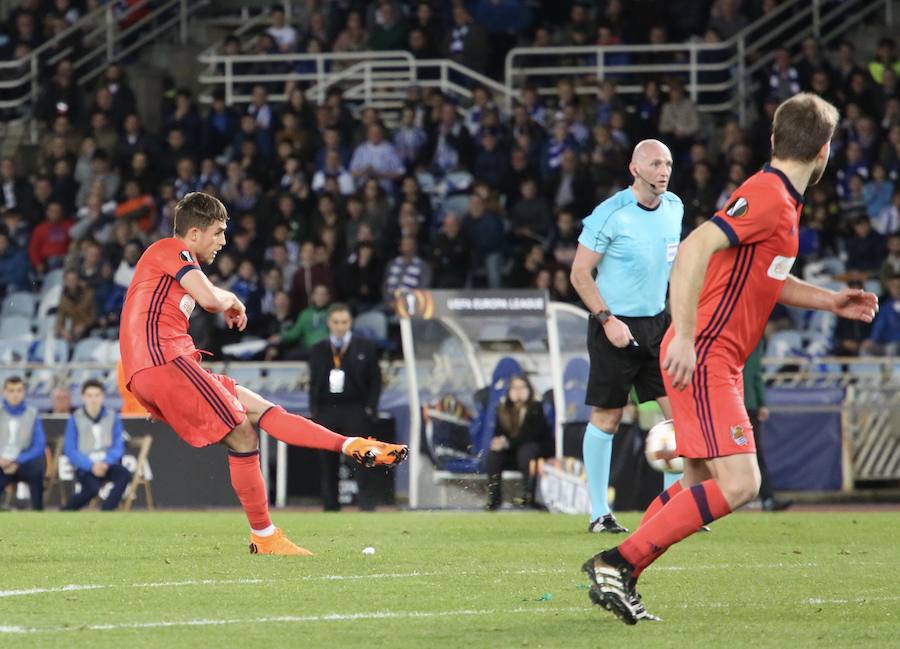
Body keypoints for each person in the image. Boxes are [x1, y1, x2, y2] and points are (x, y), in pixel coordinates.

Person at [583, 93, 878, 624]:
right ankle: (616, 563)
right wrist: (686, 337)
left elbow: (768, 278)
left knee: (696, 488)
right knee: (742, 484)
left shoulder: (780, 198)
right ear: (825, 151)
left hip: (717, 356)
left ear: (773, 139)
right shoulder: (768, 195)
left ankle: (619, 575)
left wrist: (830, 300)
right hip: (707, 355)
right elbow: (696, 247)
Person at [120, 192, 408, 556]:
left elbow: (201, 294)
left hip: (157, 368)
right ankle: (264, 535)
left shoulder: (171, 267)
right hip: (163, 362)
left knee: (261, 410)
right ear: (193, 233)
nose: (223, 241)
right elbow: (209, 299)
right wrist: (231, 301)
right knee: (243, 433)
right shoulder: (169, 249)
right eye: (218, 232)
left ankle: (351, 445)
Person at [569, 139, 684, 534]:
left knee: (680, 417)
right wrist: (607, 320)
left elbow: (673, 270)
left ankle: (671, 509)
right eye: (655, 164)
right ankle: (599, 512)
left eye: (667, 163)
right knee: (607, 417)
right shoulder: (609, 213)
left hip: (657, 326)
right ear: (634, 169)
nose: (663, 171)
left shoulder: (675, 208)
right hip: (613, 325)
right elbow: (579, 273)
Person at [308, 304, 382, 512]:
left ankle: (367, 504)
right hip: (327, 410)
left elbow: (375, 380)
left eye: (344, 322)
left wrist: (370, 407)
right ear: (329, 323)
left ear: (350, 323)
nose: (340, 327)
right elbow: (314, 382)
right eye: (336, 322)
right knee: (327, 461)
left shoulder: (365, 347)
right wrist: (315, 410)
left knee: (361, 457)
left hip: (355, 409)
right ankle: (330, 506)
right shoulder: (319, 349)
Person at [62, 379, 133, 511]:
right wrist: (90, 465)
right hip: (86, 466)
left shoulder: (113, 417)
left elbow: (118, 445)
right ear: (83, 397)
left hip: (107, 465)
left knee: (124, 475)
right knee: (91, 489)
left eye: (97, 395)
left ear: (102, 396)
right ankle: (66, 510)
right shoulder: (75, 418)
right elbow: (70, 449)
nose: (93, 399)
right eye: (89, 395)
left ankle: (107, 510)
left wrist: (106, 462)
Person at [484, 375, 550, 511]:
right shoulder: (502, 410)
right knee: (494, 456)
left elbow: (531, 435)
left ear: (529, 389)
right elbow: (498, 433)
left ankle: (529, 498)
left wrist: (507, 442)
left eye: (522, 387)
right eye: (514, 388)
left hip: (534, 451)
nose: (518, 391)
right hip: (512, 453)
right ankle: (494, 499)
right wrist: (498, 442)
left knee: (526, 451)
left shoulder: (536, 407)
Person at [743, 339, 791, 512]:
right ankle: (766, 498)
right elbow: (755, 373)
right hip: (746, 405)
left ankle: (765, 497)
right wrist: (761, 402)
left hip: (730, 403)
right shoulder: (754, 339)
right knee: (752, 453)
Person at [0, 376, 46, 510]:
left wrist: (18, 460)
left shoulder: (32, 413)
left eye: (19, 390)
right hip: (1, 463)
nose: (15, 395)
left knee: (38, 466)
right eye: (11, 390)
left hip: (23, 462)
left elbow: (39, 445)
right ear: (4, 392)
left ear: (24, 392)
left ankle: (38, 512)